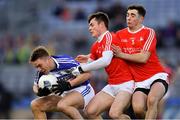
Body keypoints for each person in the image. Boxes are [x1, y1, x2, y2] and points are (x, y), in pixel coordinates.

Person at [72, 12, 134, 119]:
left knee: (114, 114)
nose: (89, 28)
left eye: (92, 25)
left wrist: (81, 68)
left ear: (101, 25)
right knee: (89, 112)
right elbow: (89, 64)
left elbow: (105, 61)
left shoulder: (110, 37)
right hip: (112, 85)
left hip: (126, 85)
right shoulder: (95, 45)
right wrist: (73, 69)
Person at [112, 5, 169, 119]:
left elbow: (143, 58)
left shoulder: (148, 32)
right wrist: (90, 57)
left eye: (133, 15)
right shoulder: (120, 34)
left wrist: (121, 54)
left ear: (141, 19)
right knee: (138, 110)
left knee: (152, 100)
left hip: (156, 76)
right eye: (127, 15)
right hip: (139, 82)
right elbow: (107, 50)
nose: (128, 18)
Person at [29, 46, 95, 119]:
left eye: (39, 65)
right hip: (65, 95)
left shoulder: (66, 62)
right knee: (35, 105)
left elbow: (88, 74)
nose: (39, 69)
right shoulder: (41, 72)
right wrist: (39, 92)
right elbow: (35, 86)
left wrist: (69, 84)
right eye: (36, 67)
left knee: (63, 105)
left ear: (47, 59)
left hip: (83, 90)